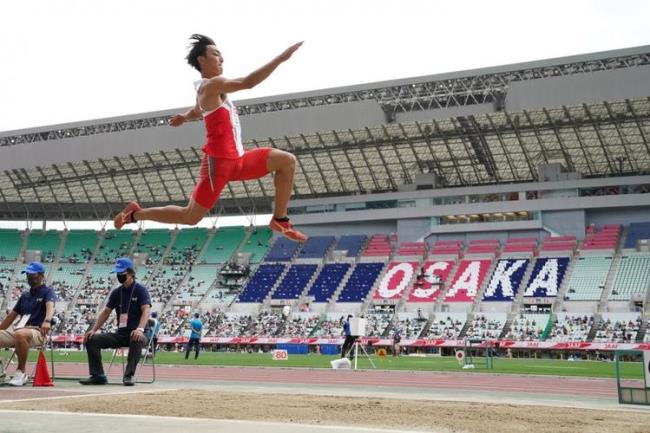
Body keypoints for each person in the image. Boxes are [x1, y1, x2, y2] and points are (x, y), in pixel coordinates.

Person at [112, 34, 308, 243]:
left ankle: (280, 219)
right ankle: (135, 214)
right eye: (216, 54)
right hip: (219, 165)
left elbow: (198, 111)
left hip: (239, 160)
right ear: (202, 60)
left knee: (287, 160)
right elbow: (248, 82)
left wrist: (184, 117)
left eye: (221, 55)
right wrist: (280, 58)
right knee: (190, 217)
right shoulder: (213, 85)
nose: (221, 59)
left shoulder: (208, 90)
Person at [79, 258, 151, 386]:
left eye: (121, 274)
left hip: (139, 334)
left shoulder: (141, 290)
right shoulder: (117, 292)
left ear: (130, 273)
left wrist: (140, 329)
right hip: (121, 334)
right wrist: (93, 330)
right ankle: (98, 375)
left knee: (136, 337)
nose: (119, 276)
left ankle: (128, 376)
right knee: (91, 339)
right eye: (117, 274)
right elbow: (106, 312)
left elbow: (146, 310)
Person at [0, 262, 56, 386]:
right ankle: (1, 372)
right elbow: (11, 316)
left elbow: (50, 306)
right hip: (19, 331)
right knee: (18, 333)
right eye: (28, 275)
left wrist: (47, 321)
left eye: (32, 274)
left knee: (21, 334)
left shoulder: (48, 292)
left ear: (41, 275)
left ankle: (21, 373)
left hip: (39, 332)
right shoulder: (25, 295)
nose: (29, 278)